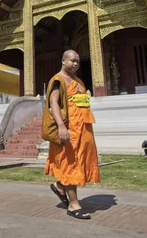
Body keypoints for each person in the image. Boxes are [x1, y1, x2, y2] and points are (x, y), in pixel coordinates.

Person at [43, 49, 100, 220]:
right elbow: (53, 103)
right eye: (72, 60)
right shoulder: (58, 80)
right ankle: (73, 204)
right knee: (71, 164)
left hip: (83, 128)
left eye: (77, 61)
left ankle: (60, 186)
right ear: (63, 61)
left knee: (79, 162)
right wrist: (61, 126)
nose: (75, 64)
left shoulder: (79, 81)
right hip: (69, 130)